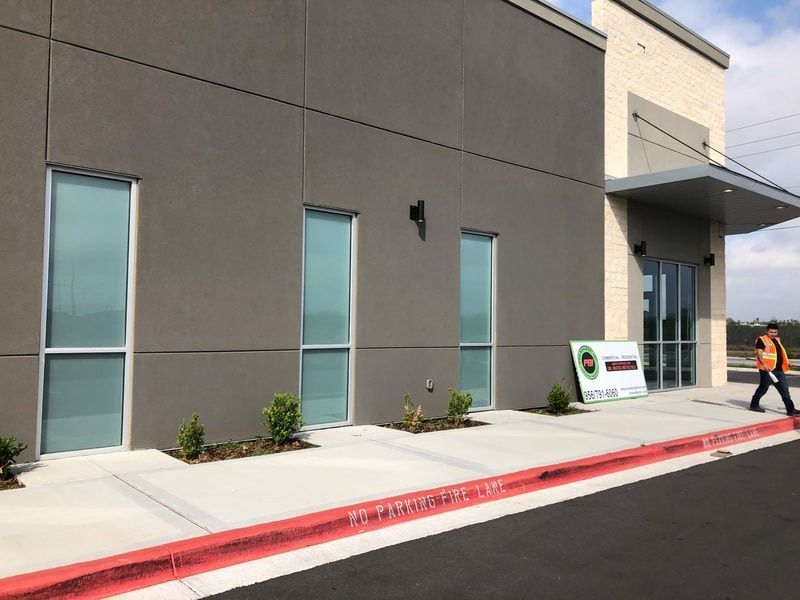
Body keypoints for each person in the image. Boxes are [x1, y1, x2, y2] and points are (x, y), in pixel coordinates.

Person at [750, 322, 800, 416]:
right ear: (767, 331)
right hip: (767, 370)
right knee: (763, 388)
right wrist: (764, 364)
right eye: (771, 332)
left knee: (784, 390)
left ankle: (790, 409)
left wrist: (787, 362)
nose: (773, 334)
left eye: (775, 332)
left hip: (779, 370)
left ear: (777, 332)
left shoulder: (777, 340)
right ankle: (754, 404)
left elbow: (780, 354)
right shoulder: (762, 340)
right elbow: (759, 353)